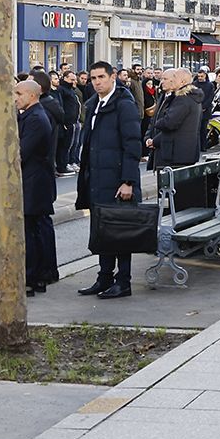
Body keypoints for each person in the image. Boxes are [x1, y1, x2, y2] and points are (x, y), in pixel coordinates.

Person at [76, 62, 144, 299]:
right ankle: (104, 277)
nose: (97, 82)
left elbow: (132, 145)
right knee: (102, 231)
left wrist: (128, 181)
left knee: (121, 232)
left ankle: (123, 281)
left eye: (101, 77)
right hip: (96, 179)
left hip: (117, 182)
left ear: (113, 77)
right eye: (93, 78)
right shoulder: (93, 104)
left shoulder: (124, 105)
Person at [15, 79, 58, 295]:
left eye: (19, 93)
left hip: (35, 183)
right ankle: (42, 275)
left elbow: (21, 153)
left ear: (32, 96)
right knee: (37, 229)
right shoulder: (30, 115)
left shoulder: (36, 119)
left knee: (32, 232)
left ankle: (33, 278)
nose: (15, 97)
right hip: (35, 181)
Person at [145, 67, 204, 207]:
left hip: (176, 154)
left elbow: (169, 123)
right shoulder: (188, 98)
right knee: (178, 198)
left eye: (174, 77)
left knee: (176, 198)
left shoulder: (183, 99)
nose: (170, 80)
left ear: (183, 80)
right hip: (181, 152)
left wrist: (158, 124)